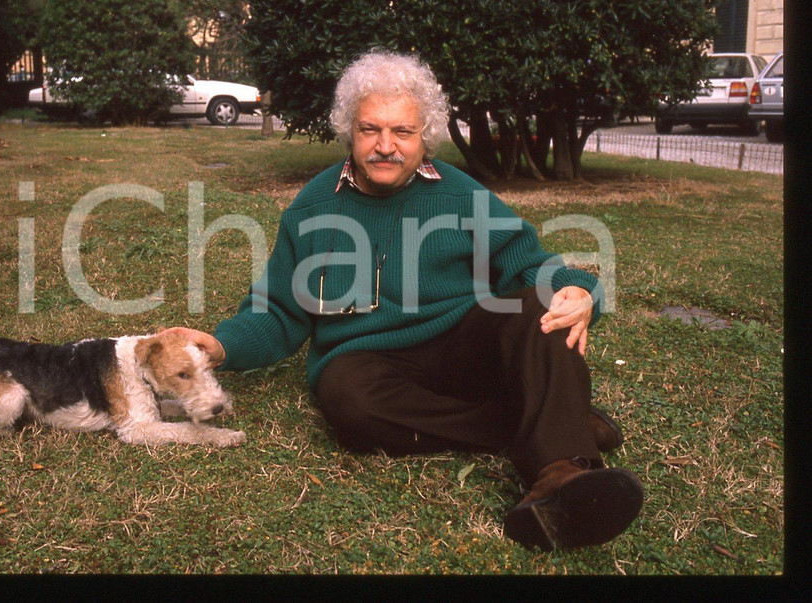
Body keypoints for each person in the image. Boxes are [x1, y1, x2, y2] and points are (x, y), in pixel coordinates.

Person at [168, 49, 642, 550]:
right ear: (350, 130)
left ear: (425, 137)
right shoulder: (313, 206)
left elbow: (529, 264)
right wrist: (220, 347)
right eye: (371, 129)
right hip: (369, 361)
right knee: (347, 402)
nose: (386, 146)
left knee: (538, 309)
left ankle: (562, 474)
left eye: (403, 132)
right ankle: (546, 418)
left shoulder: (460, 194)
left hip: (463, 341)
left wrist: (579, 290)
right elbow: (280, 311)